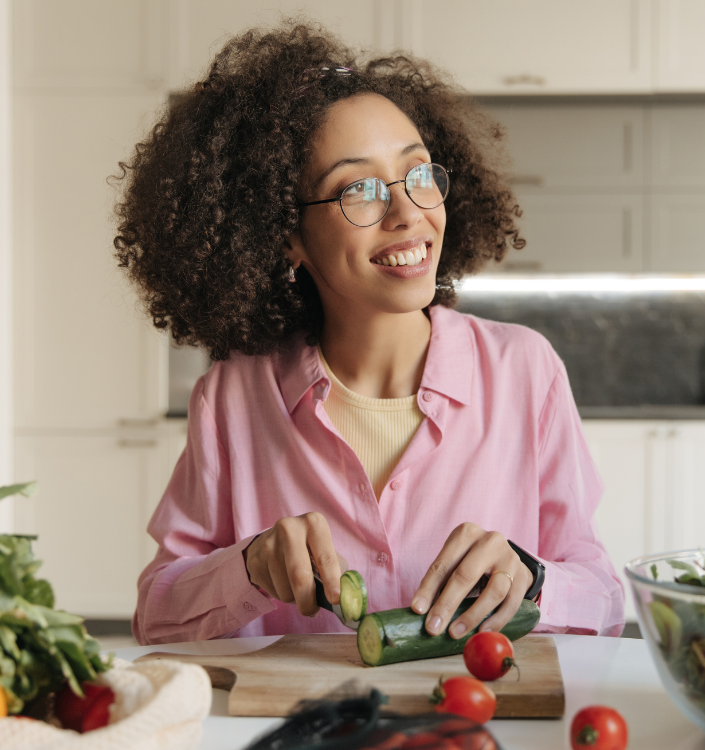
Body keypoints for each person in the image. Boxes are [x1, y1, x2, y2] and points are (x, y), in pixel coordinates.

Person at [115, 22, 625, 645]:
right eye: (358, 189)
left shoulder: (525, 369)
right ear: (287, 237)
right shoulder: (233, 395)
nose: (408, 212)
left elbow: (603, 597)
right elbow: (158, 613)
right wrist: (247, 568)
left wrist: (534, 578)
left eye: (418, 174)